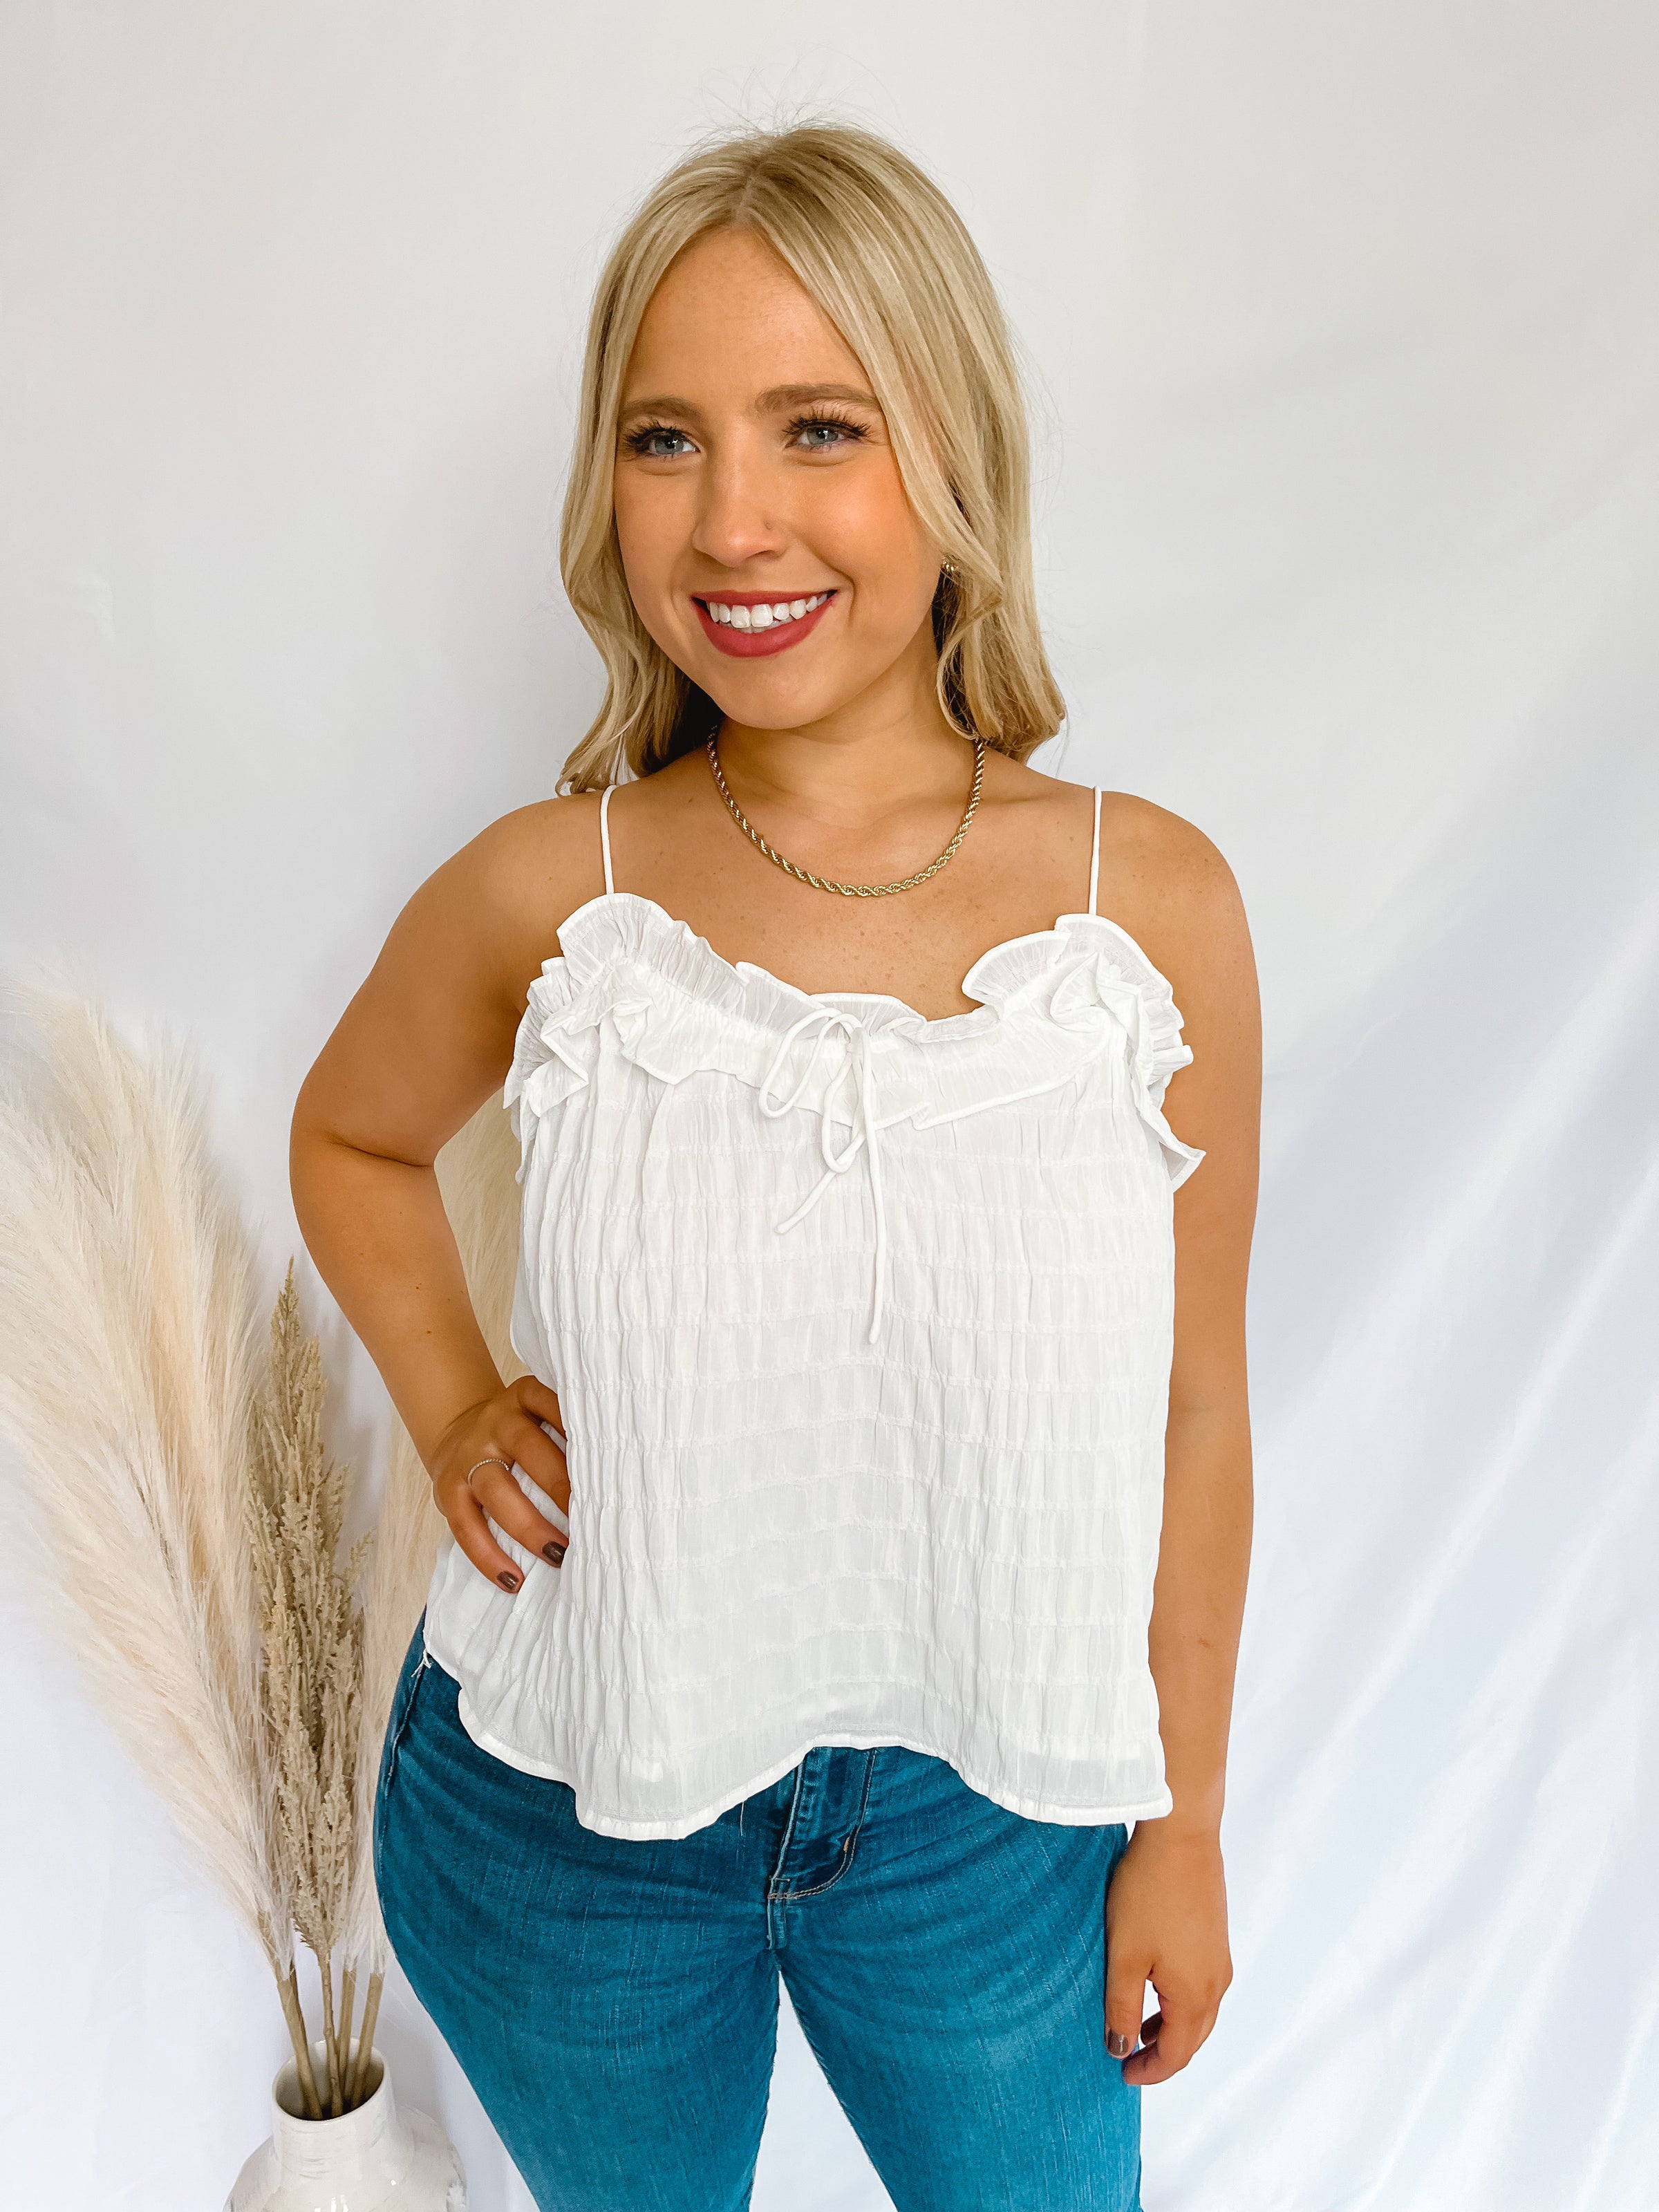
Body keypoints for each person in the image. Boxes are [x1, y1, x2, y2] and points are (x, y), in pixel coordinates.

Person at [291, 120, 1259, 2212]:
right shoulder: (553, 895)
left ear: (954, 455)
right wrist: (455, 1398)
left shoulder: (1145, 908)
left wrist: (1180, 1827)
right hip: (559, 1821)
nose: (732, 518)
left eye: (818, 426)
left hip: (992, 1821)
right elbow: (353, 1135)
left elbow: (1195, 1403)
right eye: (663, 438)